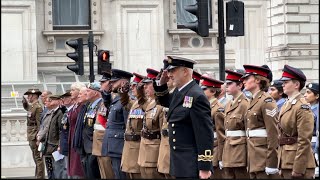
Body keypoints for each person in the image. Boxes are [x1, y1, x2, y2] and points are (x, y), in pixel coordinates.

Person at [154, 56, 214, 179]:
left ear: (185, 71)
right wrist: (162, 84)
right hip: (180, 162)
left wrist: (204, 166)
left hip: (191, 163)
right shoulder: (179, 91)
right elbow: (166, 102)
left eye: (173, 71)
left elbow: (204, 134)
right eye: (169, 71)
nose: (169, 74)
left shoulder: (197, 95)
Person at [277, 65, 316, 179]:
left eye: (286, 81)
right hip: (287, 160)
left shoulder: (302, 106)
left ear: (296, 84)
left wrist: (298, 168)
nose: (283, 84)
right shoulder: (287, 103)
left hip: (297, 163)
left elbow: (304, 139)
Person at [242, 64, 279, 179]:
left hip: (263, 158)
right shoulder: (252, 100)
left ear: (257, 80)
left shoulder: (266, 101)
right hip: (254, 158)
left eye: (247, 78)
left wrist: (272, 163)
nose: (244, 82)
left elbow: (273, 134)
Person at [101, 69, 133, 179]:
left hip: (120, 146)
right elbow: (108, 105)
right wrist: (105, 93)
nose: (111, 84)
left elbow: (128, 126)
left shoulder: (127, 99)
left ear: (123, 82)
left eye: (114, 81)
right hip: (114, 145)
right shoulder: (117, 99)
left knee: (121, 175)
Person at [222, 69, 250, 179]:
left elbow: (248, 130)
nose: (226, 86)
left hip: (240, 152)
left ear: (239, 85)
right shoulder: (229, 104)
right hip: (228, 149)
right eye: (226, 83)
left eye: (230, 83)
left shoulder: (245, 104)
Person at [138, 68, 165, 179]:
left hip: (154, 153)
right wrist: (139, 89)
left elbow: (164, 134)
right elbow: (140, 101)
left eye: (148, 84)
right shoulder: (150, 102)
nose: (145, 87)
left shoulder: (161, 105)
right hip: (144, 151)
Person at [121, 72, 148, 179]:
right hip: (129, 146)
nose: (132, 88)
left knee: (138, 174)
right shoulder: (135, 102)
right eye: (131, 86)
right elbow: (125, 103)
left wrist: (141, 94)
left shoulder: (146, 102)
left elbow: (144, 104)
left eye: (134, 86)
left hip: (138, 146)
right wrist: (123, 92)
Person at [200, 75, 225, 179]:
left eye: (204, 89)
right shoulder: (205, 106)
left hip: (214, 150)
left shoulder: (218, 109)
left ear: (213, 91)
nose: (201, 91)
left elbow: (221, 135)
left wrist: (221, 158)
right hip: (204, 150)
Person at [93, 73, 115, 179]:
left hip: (107, 143)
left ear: (110, 84)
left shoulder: (112, 99)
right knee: (104, 174)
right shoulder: (103, 100)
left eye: (103, 82)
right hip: (99, 143)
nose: (101, 85)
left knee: (109, 173)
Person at [22, 88, 45, 179]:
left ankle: (40, 177)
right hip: (31, 133)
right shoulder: (32, 106)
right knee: (35, 157)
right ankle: (38, 175)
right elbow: (27, 108)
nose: (28, 97)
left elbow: (40, 123)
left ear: (34, 96)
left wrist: (39, 137)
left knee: (38, 158)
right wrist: (24, 102)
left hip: (34, 134)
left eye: (29, 95)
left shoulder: (38, 107)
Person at [157, 59, 174, 179]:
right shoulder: (165, 96)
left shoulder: (179, 95)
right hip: (164, 144)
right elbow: (159, 98)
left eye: (168, 78)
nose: (166, 80)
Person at [81, 82, 102, 179]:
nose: (86, 93)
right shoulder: (90, 106)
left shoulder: (100, 106)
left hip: (95, 146)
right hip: (87, 147)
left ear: (95, 93)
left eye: (88, 91)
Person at [41, 95, 64, 179]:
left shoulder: (59, 113)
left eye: (49, 100)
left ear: (56, 101)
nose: (46, 102)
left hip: (55, 147)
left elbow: (60, 131)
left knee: (57, 169)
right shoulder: (52, 112)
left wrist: (59, 145)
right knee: (50, 169)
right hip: (49, 145)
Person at [68, 83, 86, 178]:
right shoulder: (74, 105)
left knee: (78, 168)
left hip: (78, 138)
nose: (70, 92)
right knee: (73, 167)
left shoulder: (81, 106)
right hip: (72, 137)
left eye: (73, 90)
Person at [56, 90, 73, 179]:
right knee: (65, 169)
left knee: (69, 170)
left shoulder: (71, 111)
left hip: (70, 145)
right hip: (65, 144)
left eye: (65, 97)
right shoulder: (67, 112)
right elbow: (62, 130)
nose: (63, 100)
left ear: (71, 99)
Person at [304, 82, 319, 151]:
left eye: (308, 93)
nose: (305, 95)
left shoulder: (317, 111)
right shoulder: (307, 109)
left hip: (313, 145)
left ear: (317, 96)